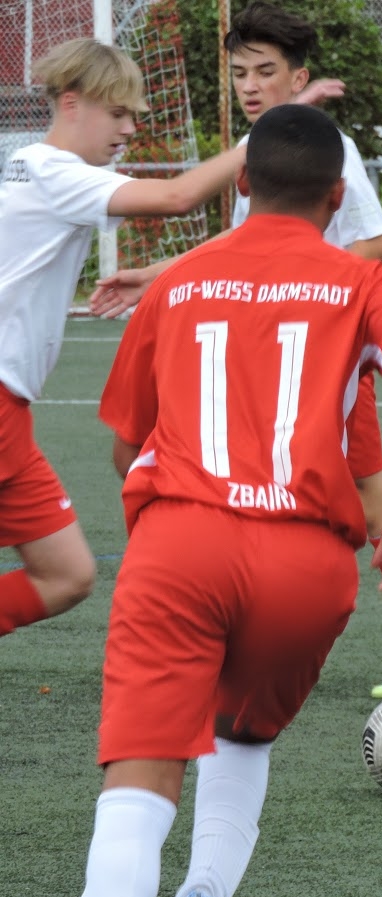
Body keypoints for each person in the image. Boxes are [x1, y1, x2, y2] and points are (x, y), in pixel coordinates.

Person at [81, 103, 382, 897]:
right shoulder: (359, 279)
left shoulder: (180, 281)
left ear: (242, 184)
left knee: (137, 784)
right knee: (240, 735)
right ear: (338, 196)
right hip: (305, 560)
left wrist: (166, 536)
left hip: (181, 540)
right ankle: (205, 893)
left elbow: (127, 444)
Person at [90, 1, 382, 699]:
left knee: (367, 497)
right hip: (273, 347)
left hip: (320, 355)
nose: (251, 85)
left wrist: (312, 297)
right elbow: (242, 250)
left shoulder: (324, 147)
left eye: (265, 72)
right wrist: (159, 274)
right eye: (240, 73)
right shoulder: (260, 149)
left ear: (299, 78)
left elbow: (377, 240)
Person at [0, 38, 246, 644]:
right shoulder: (54, 172)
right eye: (118, 113)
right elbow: (176, 197)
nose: (130, 129)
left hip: (11, 412)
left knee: (67, 576)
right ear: (71, 104)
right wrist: (257, 143)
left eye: (133, 116)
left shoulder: (36, 167)